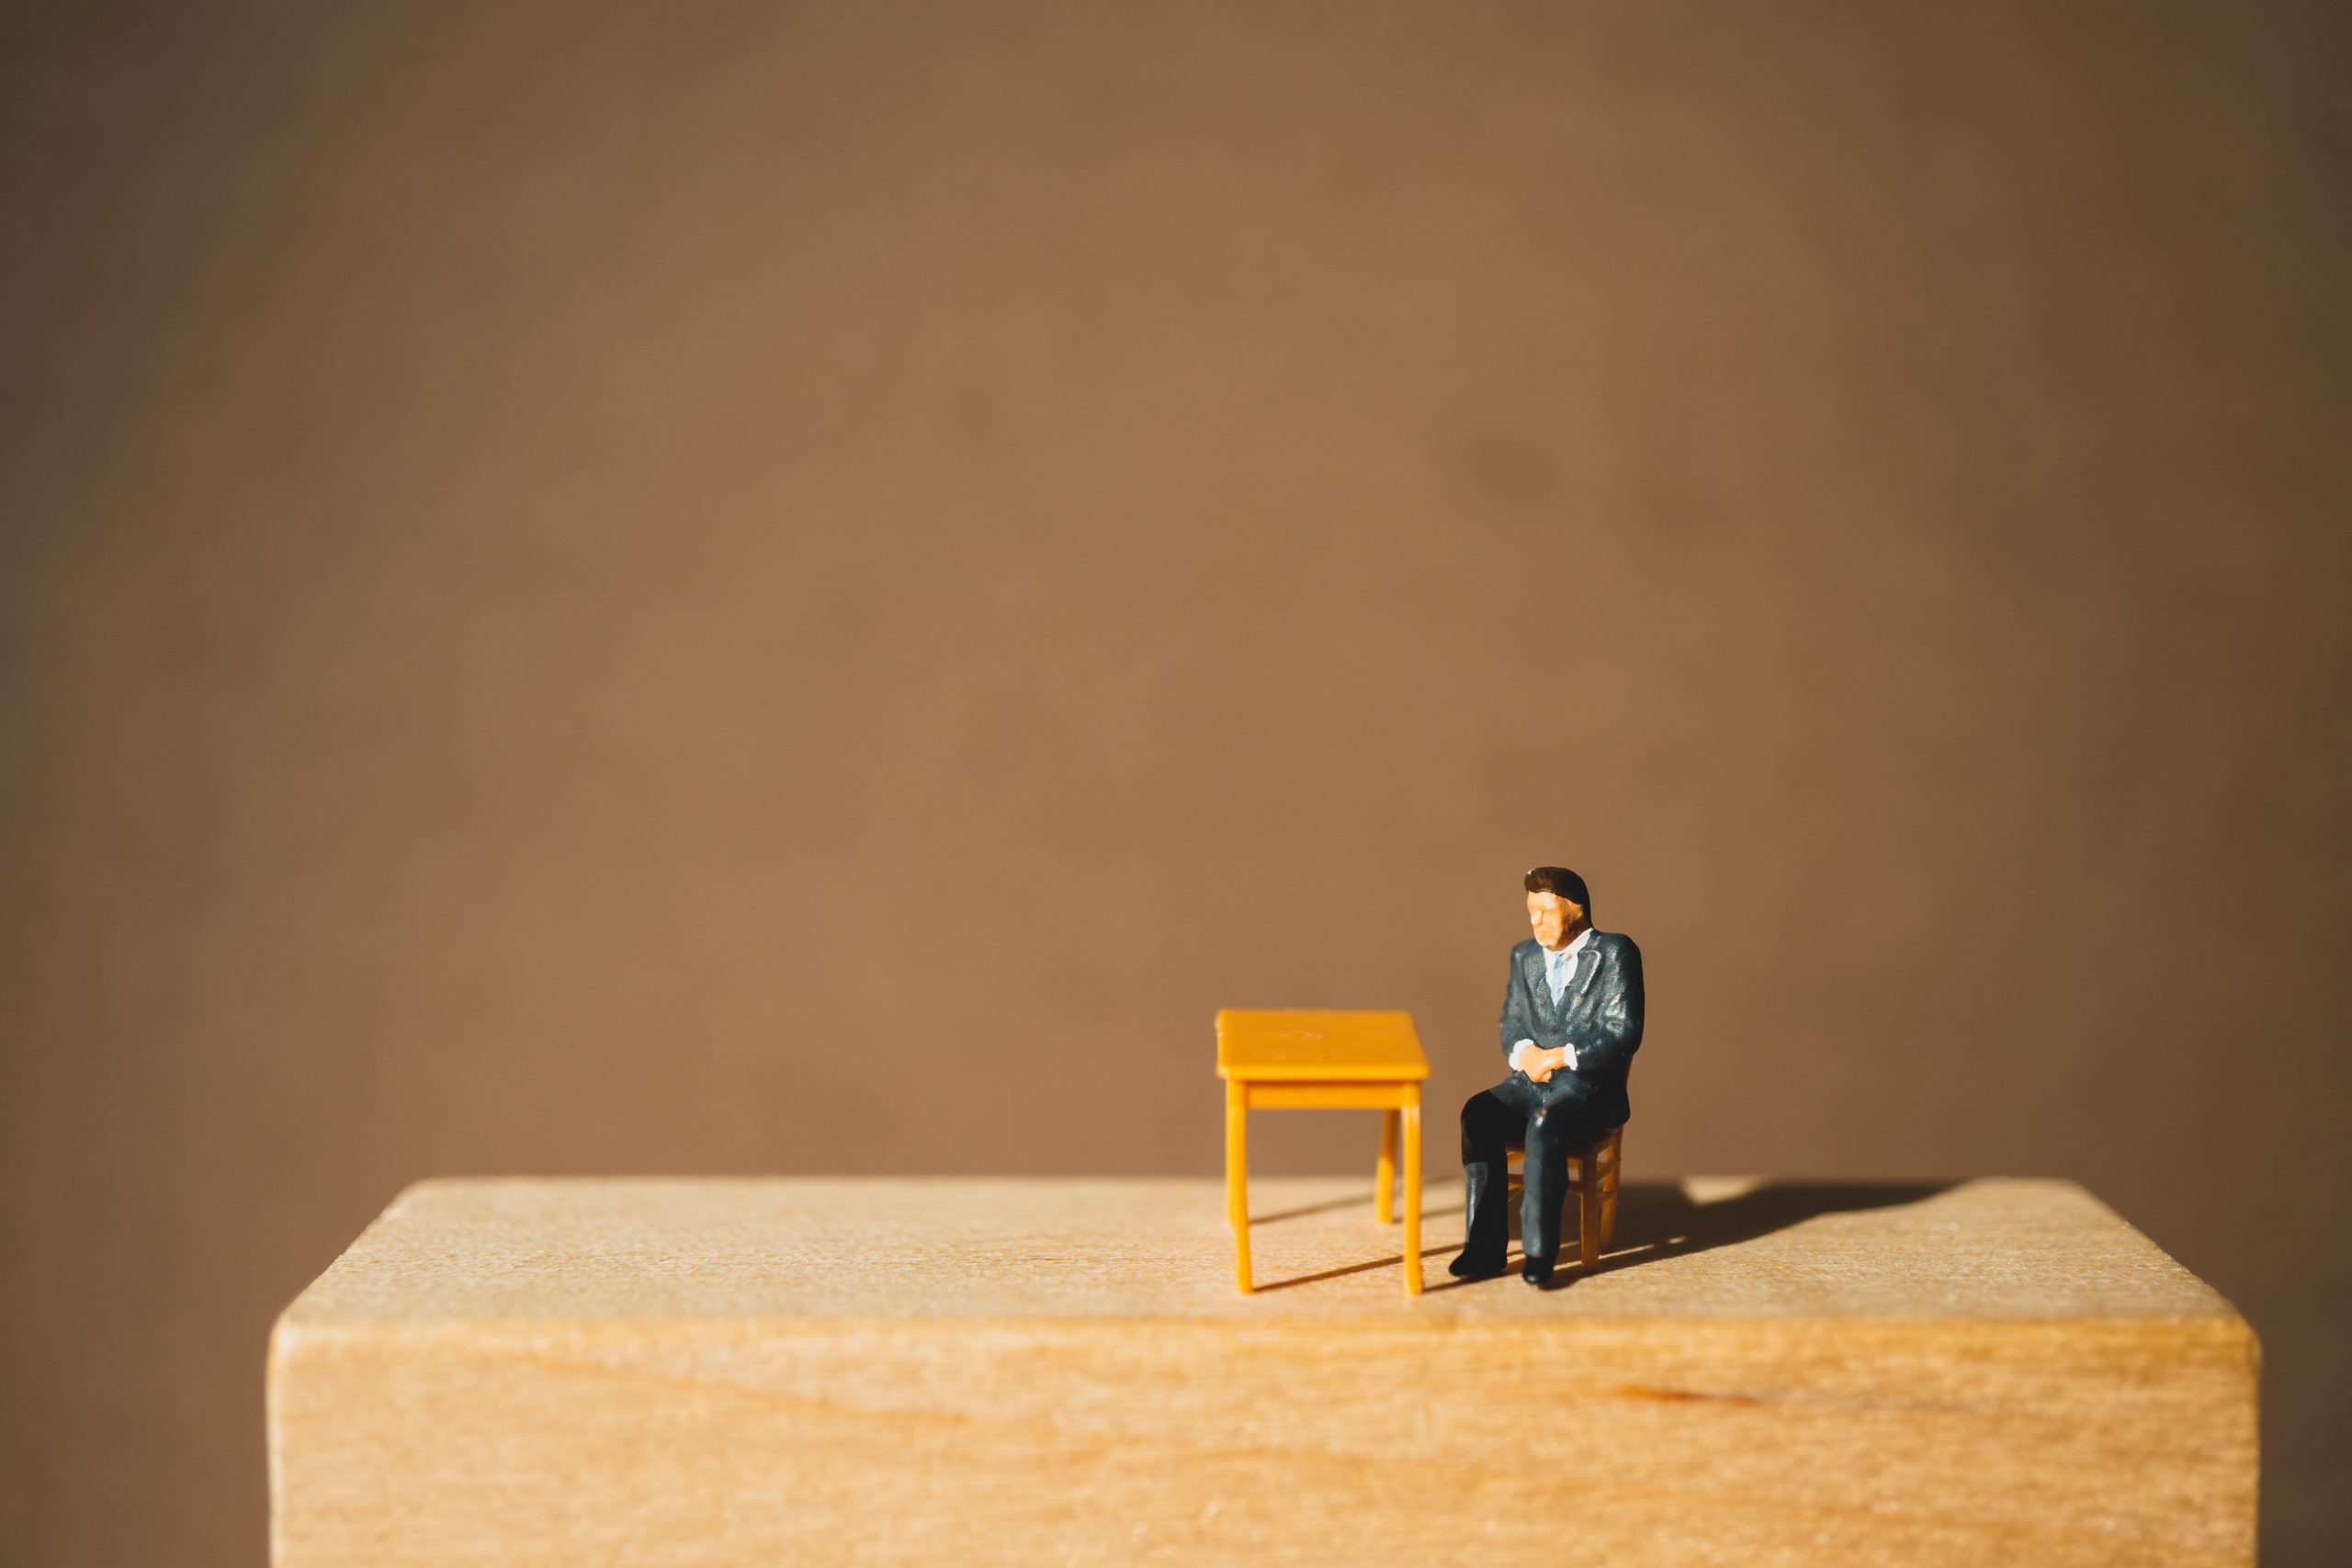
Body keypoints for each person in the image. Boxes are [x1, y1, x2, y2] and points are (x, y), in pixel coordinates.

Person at [1450, 866, 1645, 1286]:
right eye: (1530, 912)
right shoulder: (1524, 955)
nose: (1535, 922)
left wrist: (1560, 1056)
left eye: (1545, 911)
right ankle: (1483, 1248)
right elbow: (1511, 1023)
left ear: (1575, 909)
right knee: (1477, 1114)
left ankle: (1540, 1252)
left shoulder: (1616, 953)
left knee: (1545, 1122)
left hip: (1587, 1087)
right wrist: (1526, 1055)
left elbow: (1623, 1031)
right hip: (1530, 1081)